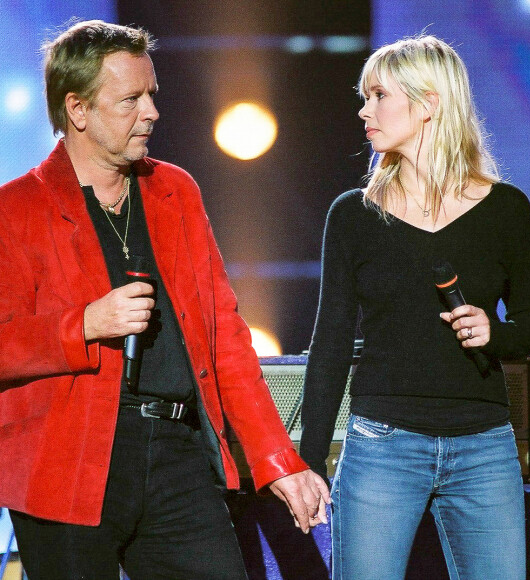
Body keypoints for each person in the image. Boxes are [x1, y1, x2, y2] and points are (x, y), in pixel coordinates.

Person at [0, 20, 329, 580]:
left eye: (151, 94)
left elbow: (226, 335)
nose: (151, 112)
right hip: (68, 465)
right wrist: (82, 324)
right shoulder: (17, 209)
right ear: (77, 109)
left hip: (178, 452)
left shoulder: (174, 190)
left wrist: (278, 461)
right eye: (130, 99)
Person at [299, 35, 530, 580]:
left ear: (429, 103)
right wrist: (309, 459)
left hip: (483, 448)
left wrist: (494, 332)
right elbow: (331, 341)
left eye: (378, 95)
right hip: (381, 447)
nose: (364, 110)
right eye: (364, 97)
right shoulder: (353, 216)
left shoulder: (506, 209)